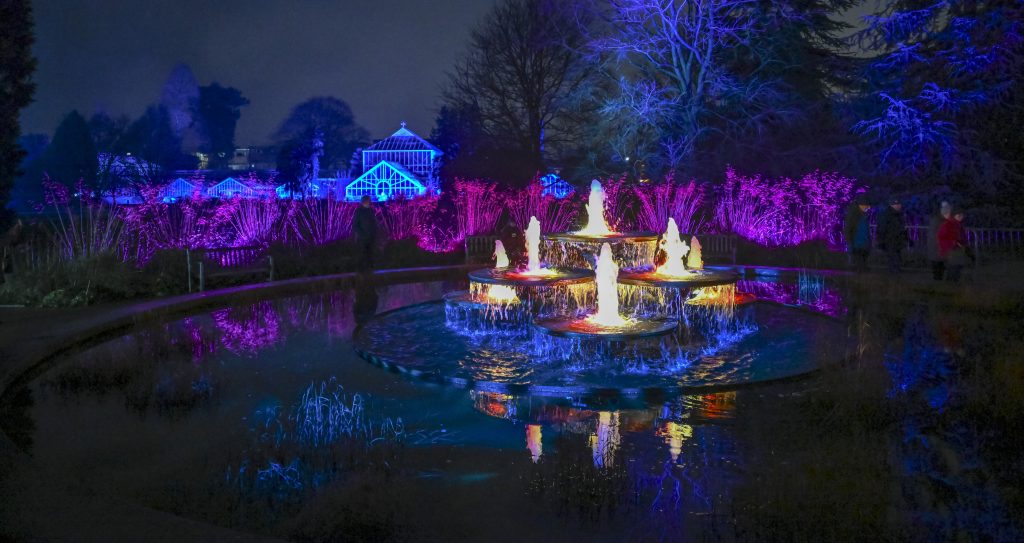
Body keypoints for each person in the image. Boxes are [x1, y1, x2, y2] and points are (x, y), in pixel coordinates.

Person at [876, 197, 909, 274]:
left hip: (897, 241)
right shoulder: (888, 215)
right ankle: (894, 275)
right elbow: (882, 229)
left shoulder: (899, 215)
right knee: (893, 259)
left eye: (899, 204)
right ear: (892, 205)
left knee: (896, 258)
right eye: (896, 204)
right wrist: (881, 240)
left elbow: (902, 228)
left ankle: (895, 273)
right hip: (890, 240)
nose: (898, 206)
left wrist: (906, 238)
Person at [938, 207, 970, 283]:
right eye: (960, 215)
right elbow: (942, 237)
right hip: (952, 250)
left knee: (956, 268)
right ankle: (951, 285)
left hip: (957, 249)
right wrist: (954, 243)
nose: (962, 217)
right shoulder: (949, 224)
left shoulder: (957, 224)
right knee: (953, 268)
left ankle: (952, 284)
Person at [843, 196, 872, 272]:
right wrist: (849, 241)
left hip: (863, 242)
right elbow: (848, 229)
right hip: (857, 243)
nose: (868, 208)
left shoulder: (863, 215)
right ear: (861, 205)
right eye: (866, 206)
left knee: (862, 260)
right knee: (858, 260)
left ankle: (861, 270)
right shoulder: (854, 215)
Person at [927, 201, 951, 281]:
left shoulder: (938, 220)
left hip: (937, 250)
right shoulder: (938, 221)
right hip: (937, 249)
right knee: (938, 270)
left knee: (939, 269)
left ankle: (938, 284)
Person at [352, 195, 379, 270]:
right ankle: (362, 270)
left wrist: (374, 231)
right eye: (368, 201)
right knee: (363, 254)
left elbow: (373, 222)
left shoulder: (370, 210)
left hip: (370, 236)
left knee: (370, 254)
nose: (369, 203)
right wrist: (361, 234)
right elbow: (355, 225)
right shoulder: (359, 211)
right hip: (363, 238)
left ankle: (370, 269)